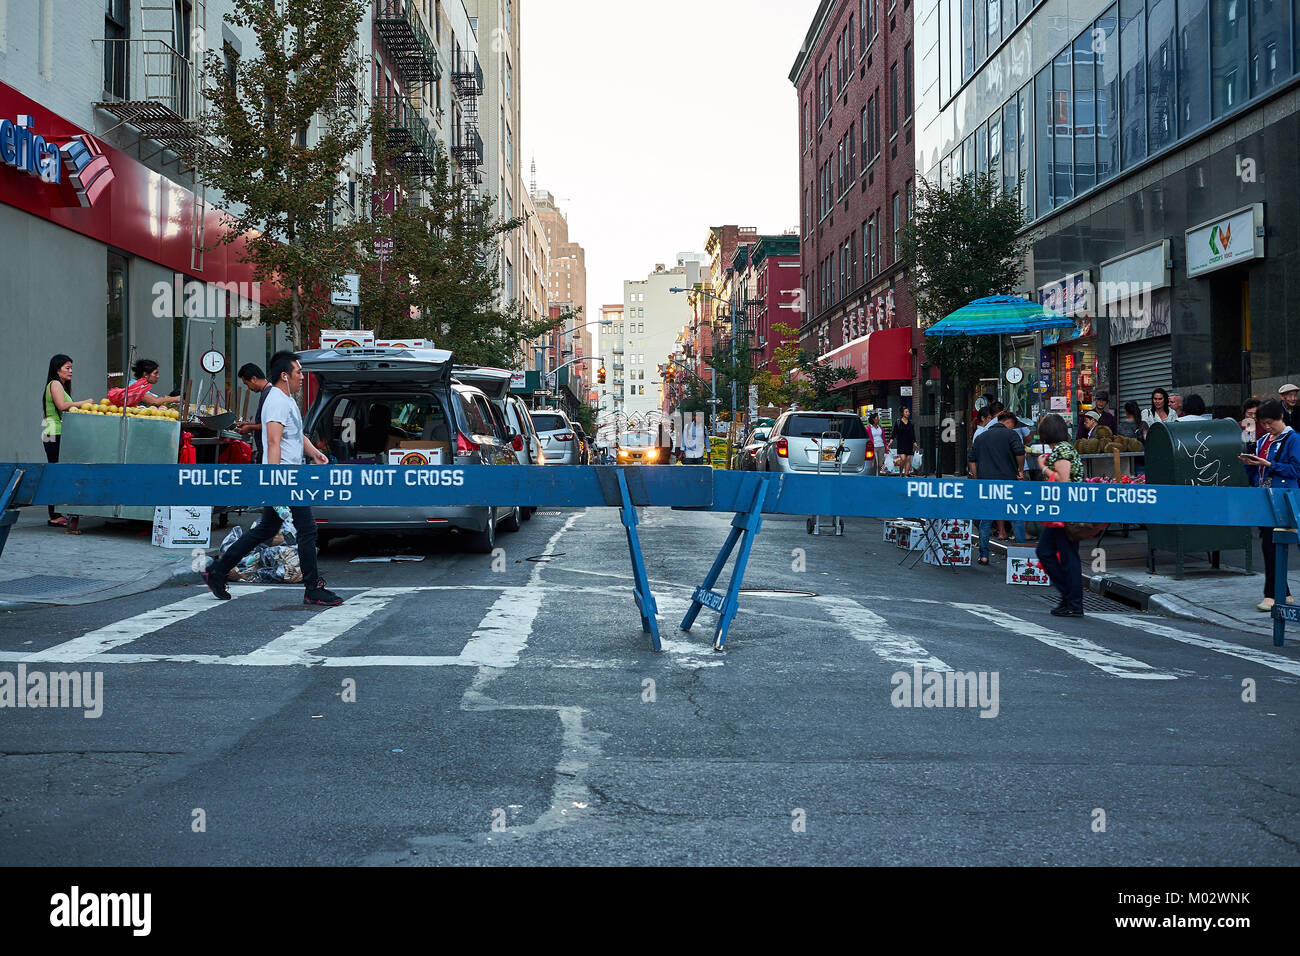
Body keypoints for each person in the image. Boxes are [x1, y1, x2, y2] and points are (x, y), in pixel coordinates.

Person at [203, 351, 343, 607]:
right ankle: (313, 588)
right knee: (308, 530)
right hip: (284, 477)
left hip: (289, 474)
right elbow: (273, 441)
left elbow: (294, 436)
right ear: (284, 376)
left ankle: (219, 570)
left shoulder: (286, 399)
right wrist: (276, 479)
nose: (302, 376)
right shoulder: (277, 401)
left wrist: (314, 453)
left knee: (267, 529)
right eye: (298, 372)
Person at [1240, 399, 1298, 612]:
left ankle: (1273, 594)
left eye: (1269, 422)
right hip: (1264, 496)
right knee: (1269, 543)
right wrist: (1250, 464)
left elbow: (1295, 470)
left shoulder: (1293, 439)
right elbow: (1256, 473)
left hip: (1285, 498)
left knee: (1273, 544)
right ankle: (1282, 592)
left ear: (1281, 417)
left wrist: (1269, 464)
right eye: (1263, 423)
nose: (1266, 427)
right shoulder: (1263, 440)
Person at [1035, 412, 1085, 617]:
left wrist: (1043, 468)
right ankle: (1068, 597)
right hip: (1060, 512)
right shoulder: (1064, 449)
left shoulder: (1062, 451)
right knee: (1047, 552)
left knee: (1066, 556)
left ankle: (1073, 601)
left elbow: (1063, 481)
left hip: (1065, 513)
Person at [40, 354, 96, 530]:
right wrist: (85, 402)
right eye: (67, 368)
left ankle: (56, 512)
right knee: (56, 473)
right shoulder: (55, 384)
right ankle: (54, 515)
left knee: (57, 472)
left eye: (71, 368)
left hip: (55, 432)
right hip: (54, 433)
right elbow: (62, 406)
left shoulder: (59, 385)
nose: (71, 371)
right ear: (57, 369)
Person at [968, 409, 1027, 565]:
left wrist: (976, 477)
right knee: (1016, 516)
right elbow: (1020, 452)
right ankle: (1021, 553)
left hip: (987, 483)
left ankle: (984, 555)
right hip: (1008, 482)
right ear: (1007, 422)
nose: (1013, 428)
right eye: (1012, 425)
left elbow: (972, 460)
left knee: (986, 520)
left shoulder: (980, 437)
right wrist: (1020, 471)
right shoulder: (1011, 435)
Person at [106, 359, 181, 408]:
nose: (158, 376)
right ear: (145, 374)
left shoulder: (142, 386)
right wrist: (176, 399)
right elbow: (154, 401)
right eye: (155, 373)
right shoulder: (136, 386)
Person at [235, 364, 271, 463]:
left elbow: (271, 424)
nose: (249, 388)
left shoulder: (270, 395)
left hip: (269, 452)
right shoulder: (265, 393)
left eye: (247, 384)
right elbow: (264, 421)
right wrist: (247, 423)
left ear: (254, 379)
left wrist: (250, 428)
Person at [895, 406, 917, 476]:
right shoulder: (898, 422)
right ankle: (901, 472)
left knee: (908, 459)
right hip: (901, 443)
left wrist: (915, 443)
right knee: (903, 459)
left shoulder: (910, 423)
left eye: (908, 412)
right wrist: (891, 441)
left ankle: (906, 475)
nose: (908, 413)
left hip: (909, 443)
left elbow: (912, 434)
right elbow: (894, 432)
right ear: (902, 413)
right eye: (906, 412)